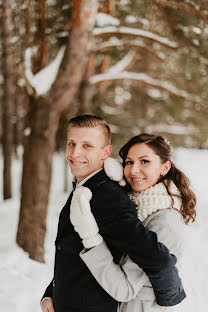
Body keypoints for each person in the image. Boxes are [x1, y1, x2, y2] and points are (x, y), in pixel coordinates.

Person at [41, 116, 186, 312]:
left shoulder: (108, 197)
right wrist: (51, 293)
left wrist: (169, 296)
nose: (75, 153)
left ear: (105, 153)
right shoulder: (99, 188)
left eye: (87, 146)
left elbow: (158, 260)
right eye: (71, 144)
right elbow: (70, 251)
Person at [70, 133, 196, 312]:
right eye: (129, 162)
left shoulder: (163, 221)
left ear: (165, 167)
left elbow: (124, 289)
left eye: (145, 161)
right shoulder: (132, 204)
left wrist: (91, 239)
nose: (134, 170)